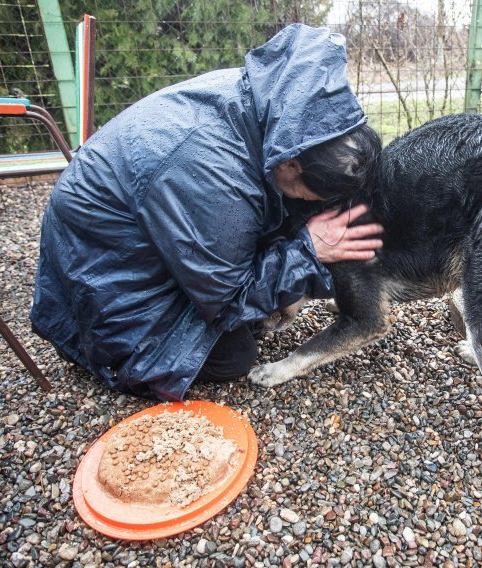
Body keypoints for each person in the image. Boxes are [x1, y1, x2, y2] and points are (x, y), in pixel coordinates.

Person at [30, 24, 384, 401]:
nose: (311, 204)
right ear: (292, 164)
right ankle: (107, 354)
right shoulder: (212, 175)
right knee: (235, 357)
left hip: (128, 241)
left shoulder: (270, 105)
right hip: (107, 280)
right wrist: (308, 251)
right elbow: (229, 301)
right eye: (310, 195)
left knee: (257, 298)